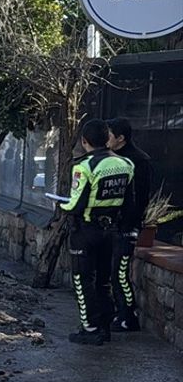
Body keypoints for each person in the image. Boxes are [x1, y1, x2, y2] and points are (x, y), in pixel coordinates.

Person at [61, 119, 135, 345]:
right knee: (104, 280)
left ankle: (90, 327)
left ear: (84, 141)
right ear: (106, 139)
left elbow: (76, 204)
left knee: (82, 280)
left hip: (86, 230)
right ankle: (105, 325)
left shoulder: (84, 166)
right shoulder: (126, 164)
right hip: (111, 230)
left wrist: (61, 205)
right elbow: (129, 203)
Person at [108, 117, 154, 332]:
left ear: (120, 138)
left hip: (127, 226)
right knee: (111, 272)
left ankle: (128, 314)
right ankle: (117, 312)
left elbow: (139, 198)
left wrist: (129, 222)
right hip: (112, 225)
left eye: (109, 135)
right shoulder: (112, 158)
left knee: (120, 272)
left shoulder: (138, 161)